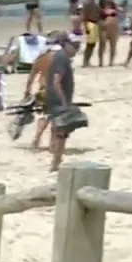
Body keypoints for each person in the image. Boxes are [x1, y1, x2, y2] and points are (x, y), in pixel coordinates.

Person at [43, 32, 83, 172]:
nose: (77, 50)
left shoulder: (61, 57)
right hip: (58, 100)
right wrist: (64, 101)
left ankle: (56, 159)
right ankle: (56, 162)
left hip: (54, 99)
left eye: (79, 47)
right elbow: (56, 81)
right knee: (62, 131)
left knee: (57, 129)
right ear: (65, 44)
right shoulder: (62, 58)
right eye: (75, 46)